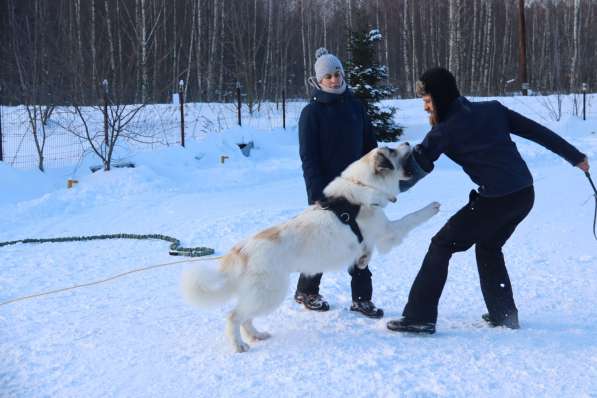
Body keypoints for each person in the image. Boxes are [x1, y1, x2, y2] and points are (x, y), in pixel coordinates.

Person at [386, 67, 590, 334]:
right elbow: (537, 132)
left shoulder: (444, 131)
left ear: (441, 97)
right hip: (524, 194)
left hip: (496, 200)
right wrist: (575, 157)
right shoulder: (493, 109)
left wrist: (383, 190)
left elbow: (416, 166)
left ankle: (419, 317)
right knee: (489, 246)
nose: (425, 108)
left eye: (427, 101)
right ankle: (504, 314)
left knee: (441, 244)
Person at [294, 48, 383, 318]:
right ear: (318, 81)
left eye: (337, 73)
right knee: (323, 241)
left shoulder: (356, 107)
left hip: (358, 188)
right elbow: (309, 158)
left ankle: (361, 299)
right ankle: (306, 290)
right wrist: (317, 194)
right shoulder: (312, 113)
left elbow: (370, 148)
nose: (334, 80)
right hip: (328, 190)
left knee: (361, 239)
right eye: (328, 76)